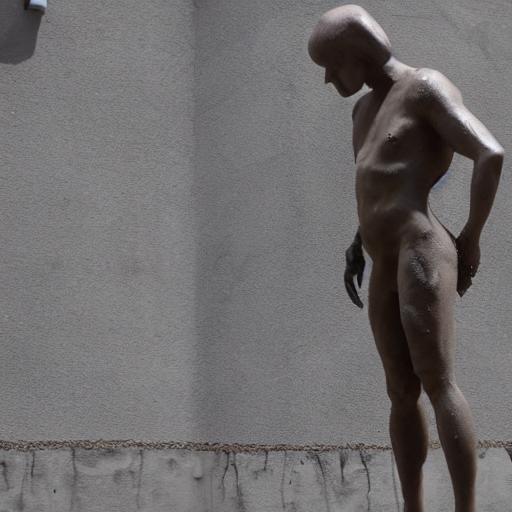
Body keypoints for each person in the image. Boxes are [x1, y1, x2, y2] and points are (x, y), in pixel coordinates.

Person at [309, 6, 503, 512]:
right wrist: (358, 241)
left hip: (420, 249)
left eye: (332, 65)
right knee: (399, 391)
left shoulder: (423, 88)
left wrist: (471, 238)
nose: (328, 79)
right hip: (381, 261)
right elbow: (380, 185)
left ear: (357, 54)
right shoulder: (361, 113)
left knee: (437, 380)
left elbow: (489, 153)